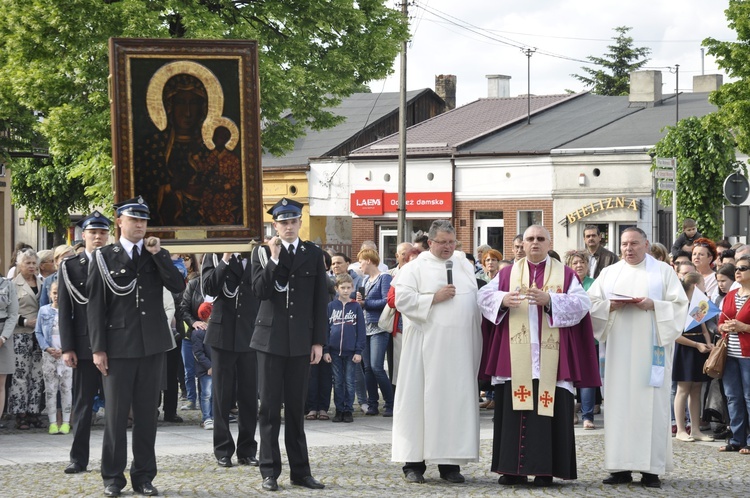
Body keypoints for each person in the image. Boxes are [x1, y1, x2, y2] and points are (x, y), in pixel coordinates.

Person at [478, 225, 600, 487]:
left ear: (548, 243)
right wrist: (502, 299)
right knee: (512, 412)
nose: (535, 243)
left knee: (549, 413)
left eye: (540, 239)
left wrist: (550, 300)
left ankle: (546, 470)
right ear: (522, 243)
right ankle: (512, 470)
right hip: (514, 355)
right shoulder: (507, 273)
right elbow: (483, 296)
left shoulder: (565, 274)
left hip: (552, 357)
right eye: (530, 239)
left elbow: (582, 305)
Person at [87, 196, 186, 497]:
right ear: (119, 221)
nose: (140, 225)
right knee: (116, 416)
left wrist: (157, 255)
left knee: (147, 415)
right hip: (118, 346)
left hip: (152, 345)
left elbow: (178, 286)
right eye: (134, 219)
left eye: (144, 220)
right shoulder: (104, 257)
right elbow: (95, 306)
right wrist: (98, 348)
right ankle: (113, 477)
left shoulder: (157, 253)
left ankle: (144, 476)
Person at [588, 227, 688, 488]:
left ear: (646, 244)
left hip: (650, 353)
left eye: (634, 243)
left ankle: (650, 470)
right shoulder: (610, 273)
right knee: (619, 406)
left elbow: (680, 306)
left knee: (650, 406)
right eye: (624, 244)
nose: (628, 249)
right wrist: (609, 304)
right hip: (619, 352)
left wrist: (654, 304)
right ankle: (619, 467)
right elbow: (591, 302)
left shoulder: (663, 272)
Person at [392, 220, 482, 485]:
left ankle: (449, 464)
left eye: (452, 242)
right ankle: (413, 464)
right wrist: (433, 298)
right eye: (442, 242)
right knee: (418, 404)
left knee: (453, 404)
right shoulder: (414, 268)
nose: (448, 247)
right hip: (424, 348)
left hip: (459, 349)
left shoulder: (463, 264)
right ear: (430, 242)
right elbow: (402, 300)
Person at [251, 197, 328, 492]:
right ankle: (269, 471)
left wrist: (319, 341)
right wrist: (273, 259)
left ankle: (301, 472)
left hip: (300, 341)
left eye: (293, 221)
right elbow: (260, 290)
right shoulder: (262, 253)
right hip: (269, 341)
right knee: (269, 409)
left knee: (296, 409)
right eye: (283, 222)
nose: (289, 227)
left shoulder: (312, 253)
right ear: (275, 225)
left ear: (299, 222)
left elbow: (321, 301)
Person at [59, 210, 111, 474]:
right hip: (83, 346)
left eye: (103, 232)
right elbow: (65, 311)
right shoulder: (69, 266)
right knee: (82, 406)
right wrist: (67, 347)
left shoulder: (116, 262)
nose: (98, 237)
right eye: (93, 232)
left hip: (114, 345)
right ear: (84, 235)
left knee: (116, 407)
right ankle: (78, 458)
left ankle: (114, 460)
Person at [201, 249, 260, 468]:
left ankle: (247, 450)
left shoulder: (258, 253)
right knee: (222, 395)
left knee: (248, 397)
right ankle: (223, 450)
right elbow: (208, 288)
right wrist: (225, 259)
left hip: (250, 333)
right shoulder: (214, 255)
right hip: (223, 334)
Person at [672, 272, 715, 442]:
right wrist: (697, 345)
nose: (705, 286)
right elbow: (675, 334)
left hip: (699, 347)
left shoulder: (698, 304)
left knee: (697, 389)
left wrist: (708, 343)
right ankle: (681, 429)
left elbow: (703, 328)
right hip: (685, 347)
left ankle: (695, 428)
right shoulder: (680, 305)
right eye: (703, 283)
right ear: (696, 286)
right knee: (683, 389)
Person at [717, 255, 750, 454]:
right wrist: (725, 326)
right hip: (729, 353)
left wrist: (743, 326)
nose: (737, 271)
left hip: (748, 355)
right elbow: (720, 321)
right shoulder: (732, 294)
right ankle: (737, 439)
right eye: (737, 268)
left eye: (743, 268)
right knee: (732, 397)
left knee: (749, 397)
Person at [9, 249, 44, 430]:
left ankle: (34, 411)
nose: (31, 266)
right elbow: (7, 312)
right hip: (20, 334)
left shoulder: (43, 282)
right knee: (21, 374)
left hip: (39, 334)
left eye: (33, 263)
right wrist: (24, 321)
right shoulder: (12, 285)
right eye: (27, 263)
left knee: (37, 374)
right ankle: (20, 413)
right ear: (19, 265)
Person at [356, 248, 394, 417]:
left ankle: (390, 403)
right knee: (368, 369)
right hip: (365, 327)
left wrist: (366, 303)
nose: (360, 266)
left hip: (379, 327)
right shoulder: (364, 280)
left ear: (369, 261)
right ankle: (372, 404)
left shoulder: (384, 277)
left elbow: (387, 300)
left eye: (361, 262)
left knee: (377, 367)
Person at [323, 274, 366, 423]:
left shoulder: (356, 307)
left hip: (351, 352)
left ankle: (348, 410)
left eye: (348, 287)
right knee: (338, 381)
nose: (346, 290)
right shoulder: (330, 307)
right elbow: (326, 329)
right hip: (334, 351)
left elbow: (361, 330)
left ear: (353, 288)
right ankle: (339, 409)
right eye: (343, 288)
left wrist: (358, 351)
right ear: (337, 288)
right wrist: (326, 350)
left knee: (349, 381)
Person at [565, 250, 598, 429]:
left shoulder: (593, 284)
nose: (579, 266)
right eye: (575, 263)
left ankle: (587, 416)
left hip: (589, 337)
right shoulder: (566, 283)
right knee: (568, 377)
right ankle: (570, 413)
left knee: (586, 377)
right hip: (569, 336)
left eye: (582, 262)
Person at [35, 281, 73, 435]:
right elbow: (38, 332)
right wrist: (47, 347)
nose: (57, 296)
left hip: (66, 356)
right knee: (50, 389)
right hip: (49, 355)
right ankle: (52, 422)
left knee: (66, 389)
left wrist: (66, 348)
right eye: (55, 293)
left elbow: (74, 331)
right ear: (50, 294)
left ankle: (65, 422)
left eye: (60, 293)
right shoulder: (43, 311)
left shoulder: (70, 311)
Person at [0, 256, 19, 430]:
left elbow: (13, 314)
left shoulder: (7, 284)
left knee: (1, 382)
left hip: (3, 335)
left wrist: (3, 337)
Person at [191, 304, 213, 430]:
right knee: (206, 394)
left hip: (215, 368)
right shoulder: (198, 333)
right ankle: (207, 417)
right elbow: (198, 353)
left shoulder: (215, 330)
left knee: (214, 395)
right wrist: (209, 366)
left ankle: (214, 416)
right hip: (205, 370)